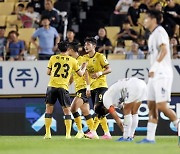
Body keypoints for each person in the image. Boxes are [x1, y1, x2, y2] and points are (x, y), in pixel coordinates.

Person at [138, 10, 179, 144]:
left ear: (153, 19)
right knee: (151, 105)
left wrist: (155, 67)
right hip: (154, 75)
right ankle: (150, 138)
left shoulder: (160, 31)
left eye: (146, 19)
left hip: (162, 73)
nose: (144, 21)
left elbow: (165, 50)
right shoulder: (152, 35)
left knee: (161, 105)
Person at [44, 41, 87, 139]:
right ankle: (68, 134)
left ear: (58, 49)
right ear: (68, 49)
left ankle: (47, 133)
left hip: (51, 86)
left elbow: (48, 72)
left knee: (49, 109)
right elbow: (80, 74)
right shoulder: (72, 60)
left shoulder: (53, 58)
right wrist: (83, 67)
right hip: (63, 87)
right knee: (67, 111)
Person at [83, 37, 112, 139]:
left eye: (88, 44)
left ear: (94, 46)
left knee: (98, 108)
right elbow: (86, 74)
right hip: (92, 87)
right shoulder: (85, 58)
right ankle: (107, 134)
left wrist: (100, 73)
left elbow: (109, 69)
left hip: (101, 86)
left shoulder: (100, 56)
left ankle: (93, 131)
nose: (86, 46)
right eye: (85, 45)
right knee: (100, 111)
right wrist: (87, 87)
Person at [68, 42, 94, 139]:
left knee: (73, 108)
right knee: (86, 112)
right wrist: (65, 85)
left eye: (68, 50)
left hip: (83, 88)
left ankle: (80, 131)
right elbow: (72, 77)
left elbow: (86, 73)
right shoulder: (72, 62)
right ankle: (93, 132)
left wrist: (88, 87)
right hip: (78, 88)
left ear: (71, 50)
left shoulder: (82, 59)